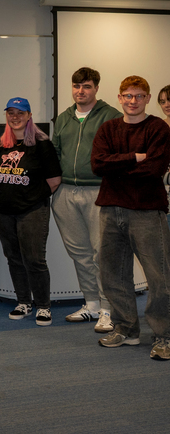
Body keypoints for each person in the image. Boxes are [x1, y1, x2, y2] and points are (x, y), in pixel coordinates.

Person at [92, 76, 170, 360]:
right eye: (128, 96)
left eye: (139, 96)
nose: (133, 101)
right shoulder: (109, 128)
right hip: (111, 210)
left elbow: (154, 168)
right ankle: (126, 329)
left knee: (159, 277)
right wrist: (135, 157)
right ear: (120, 98)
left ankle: (165, 336)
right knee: (112, 274)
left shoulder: (158, 128)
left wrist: (118, 165)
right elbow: (97, 164)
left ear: (148, 98)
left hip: (147, 212)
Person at [51, 67, 122, 331]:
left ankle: (108, 308)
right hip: (66, 193)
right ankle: (91, 304)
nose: (81, 91)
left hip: (98, 192)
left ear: (96, 88)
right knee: (79, 253)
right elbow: (55, 152)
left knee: (101, 253)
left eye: (87, 86)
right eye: (77, 86)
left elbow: (118, 156)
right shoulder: (64, 118)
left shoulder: (111, 117)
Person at [0, 97, 62, 326]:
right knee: (14, 258)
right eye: (11, 112)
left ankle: (43, 305)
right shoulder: (1, 143)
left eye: (20, 112)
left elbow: (54, 180)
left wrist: (31, 196)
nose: (15, 117)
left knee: (34, 259)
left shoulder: (41, 144)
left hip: (32, 210)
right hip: (2, 210)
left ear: (29, 115)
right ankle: (23, 302)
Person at [158, 85, 170, 229]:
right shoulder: (157, 126)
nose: (167, 104)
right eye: (162, 101)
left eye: (169, 100)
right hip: (163, 198)